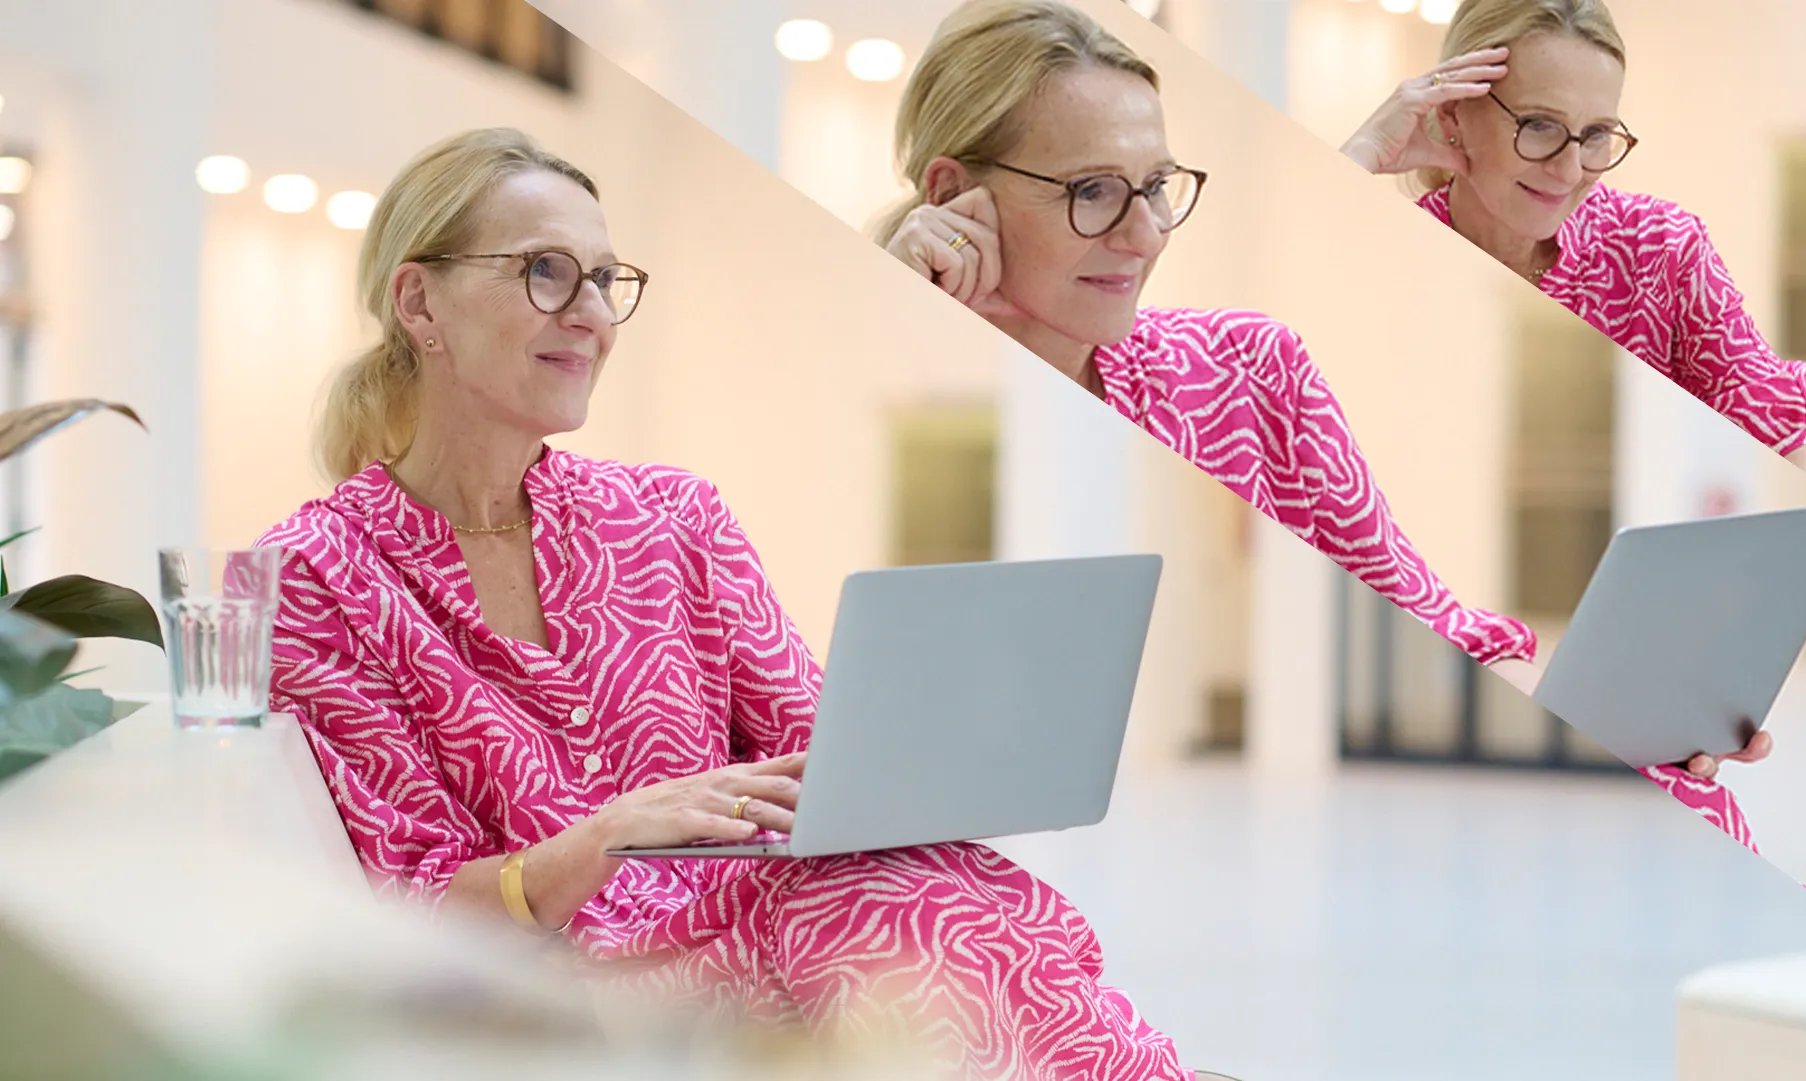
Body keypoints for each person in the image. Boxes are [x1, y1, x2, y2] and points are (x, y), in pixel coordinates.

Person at [258, 127, 1194, 1081]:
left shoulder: (673, 515)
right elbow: (403, 905)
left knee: (918, 888)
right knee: (898, 918)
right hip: (554, 985)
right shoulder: (313, 575)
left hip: (765, 925)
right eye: (547, 271)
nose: (591, 315)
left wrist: (931, 751)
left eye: (604, 280)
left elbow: (817, 754)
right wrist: (600, 838)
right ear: (420, 301)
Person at [876, 0, 1765, 846]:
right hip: (966, 821)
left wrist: (1626, 720)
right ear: (954, 193)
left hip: (1202, 839)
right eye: (1096, 191)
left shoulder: (1248, 370)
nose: (1144, 235)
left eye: (1156, 187)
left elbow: (1421, 603)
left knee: (1696, 800)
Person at [1341, 0, 1806, 553]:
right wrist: (1364, 150)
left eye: (1595, 135)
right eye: (1540, 125)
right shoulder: (1384, 263)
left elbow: (1786, 424)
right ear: (1453, 115)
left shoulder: (1658, 245)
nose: (1569, 170)